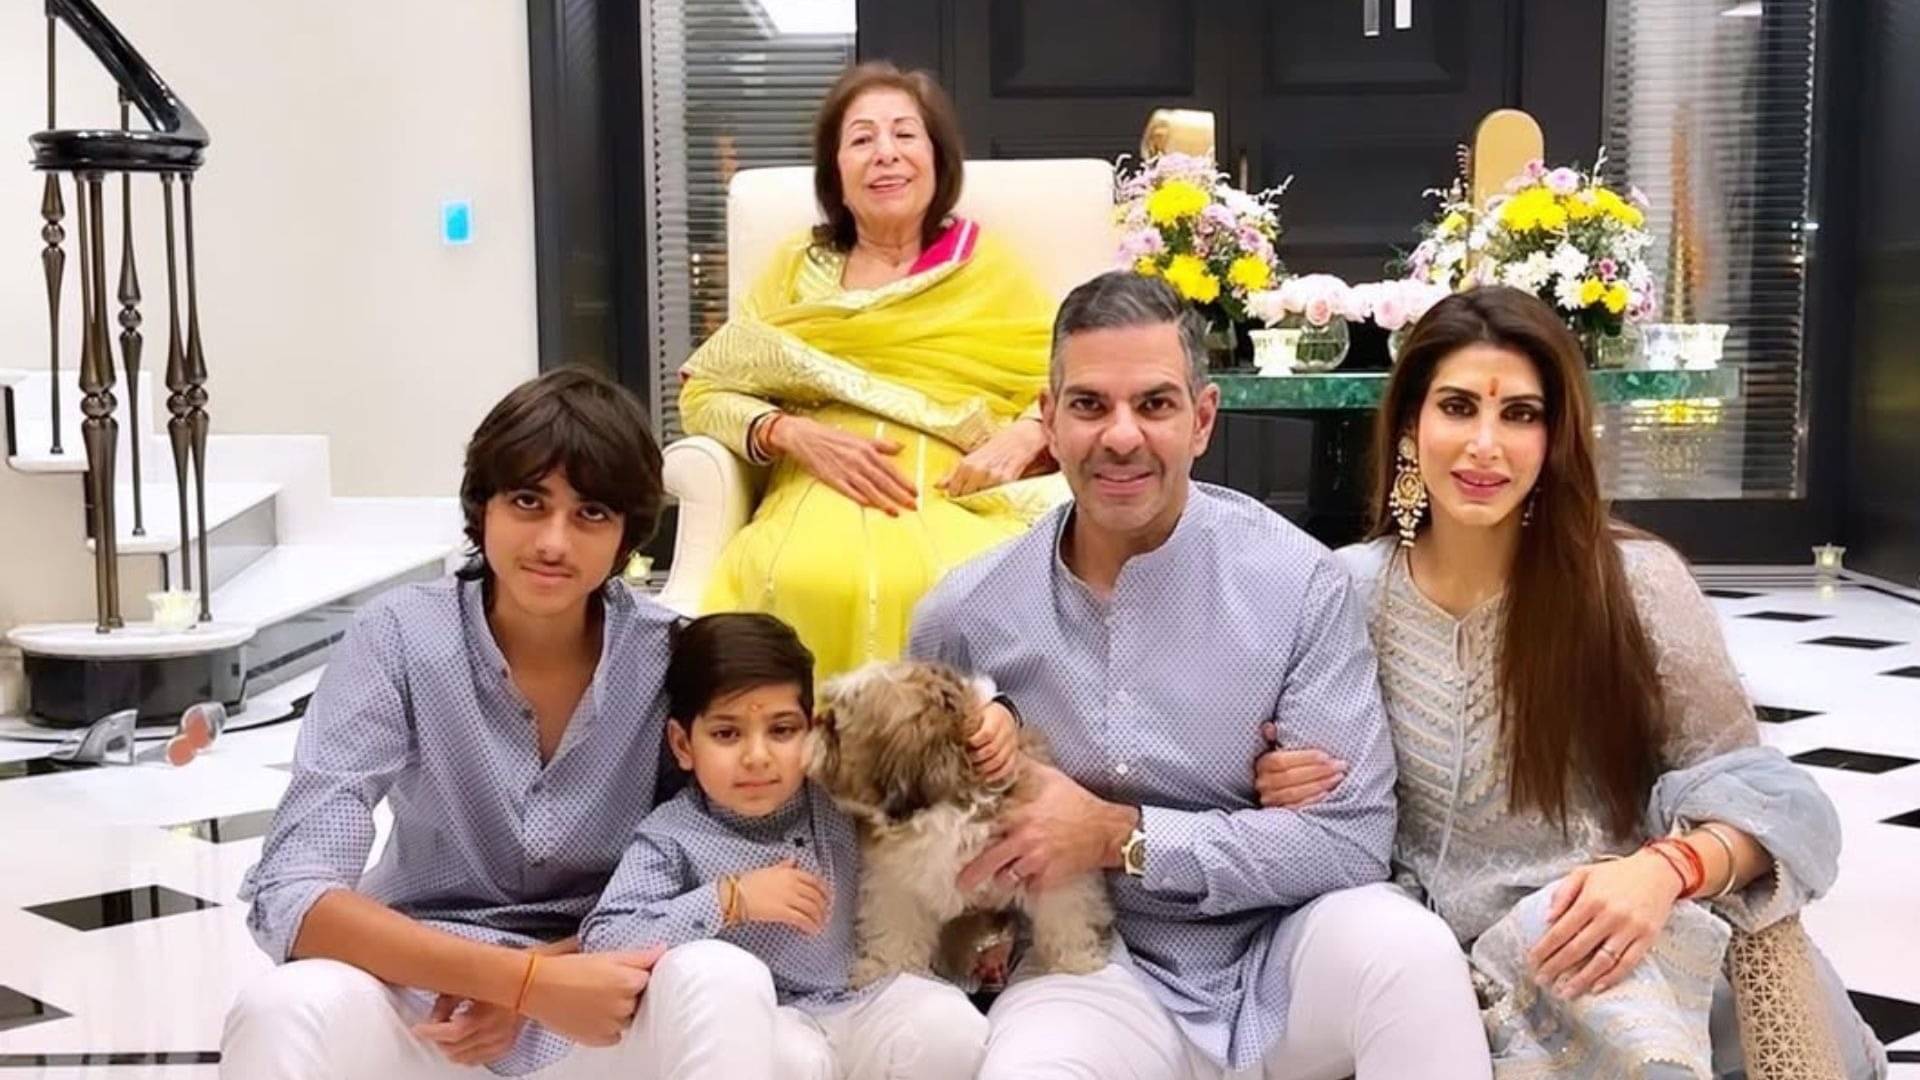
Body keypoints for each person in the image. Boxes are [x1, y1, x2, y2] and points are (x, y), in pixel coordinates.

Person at [1256, 286, 1887, 1077]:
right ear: (1411, 425)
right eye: (1458, 407)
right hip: (1424, 974)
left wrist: (1664, 871)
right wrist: (1277, 777)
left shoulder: (1630, 584)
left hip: (1611, 945)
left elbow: (1771, 799)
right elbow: (1278, 799)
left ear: (1556, 439)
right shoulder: (1345, 589)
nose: (1485, 445)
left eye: (1520, 414)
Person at [907, 271, 1493, 1079]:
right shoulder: (966, 614)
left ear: (1202, 419)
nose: (1121, 436)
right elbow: (916, 836)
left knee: (1410, 953)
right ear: (1050, 421)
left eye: (1154, 404)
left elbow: (1350, 841)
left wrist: (1120, 836)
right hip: (1086, 966)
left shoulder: (1297, 583)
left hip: (1284, 943)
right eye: (1089, 405)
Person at [221, 369, 740, 1078]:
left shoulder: (672, 658)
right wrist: (517, 981)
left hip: (606, 993)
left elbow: (718, 866)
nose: (554, 542)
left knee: (718, 976)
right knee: (283, 1006)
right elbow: (292, 893)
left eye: (591, 514)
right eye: (529, 502)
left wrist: (551, 976)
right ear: (483, 506)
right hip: (430, 998)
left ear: (626, 533)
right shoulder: (399, 636)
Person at [679, 60, 1067, 679]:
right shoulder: (797, 268)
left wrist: (1027, 434)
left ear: (936, 158)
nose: (885, 153)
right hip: (813, 482)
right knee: (795, 575)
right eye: (861, 139)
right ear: (836, 171)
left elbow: (1069, 379)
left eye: (905, 134)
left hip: (951, 490)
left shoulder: (986, 266)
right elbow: (704, 392)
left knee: (957, 583)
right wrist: (790, 433)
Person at [579, 612, 991, 1079]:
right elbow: (605, 938)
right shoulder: (673, 835)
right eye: (727, 734)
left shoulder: (837, 798)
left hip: (863, 996)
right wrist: (730, 900)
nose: (757, 757)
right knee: (796, 1062)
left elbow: (926, 778)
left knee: (950, 1026)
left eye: (782, 731)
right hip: (765, 1018)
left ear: (811, 729)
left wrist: (994, 713)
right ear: (683, 745)